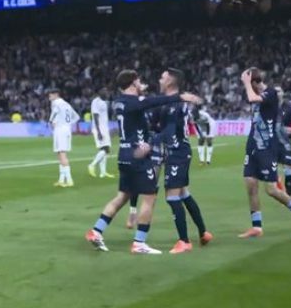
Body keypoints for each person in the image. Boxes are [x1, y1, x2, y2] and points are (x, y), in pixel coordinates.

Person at [85, 69, 202, 254]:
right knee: (150, 197)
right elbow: (153, 102)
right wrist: (181, 97)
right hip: (137, 156)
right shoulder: (134, 102)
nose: (142, 82)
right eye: (138, 80)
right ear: (133, 83)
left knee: (122, 197)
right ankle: (139, 243)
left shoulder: (119, 102)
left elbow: (144, 103)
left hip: (123, 155)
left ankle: (96, 231)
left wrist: (141, 92)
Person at [239, 68, 291, 238]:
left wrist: (246, 82)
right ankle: (257, 227)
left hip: (267, 147)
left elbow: (252, 98)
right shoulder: (257, 93)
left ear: (255, 82)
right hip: (252, 146)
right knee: (250, 185)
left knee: (271, 190)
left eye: (250, 84)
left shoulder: (270, 93)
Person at [156, 68, 213, 253]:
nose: (160, 80)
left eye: (163, 77)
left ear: (170, 82)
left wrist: (153, 143)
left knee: (171, 197)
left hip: (177, 152)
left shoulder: (174, 105)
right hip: (181, 151)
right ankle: (203, 232)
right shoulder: (177, 101)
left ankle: (184, 241)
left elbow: (169, 130)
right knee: (183, 194)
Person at [48, 89, 80, 187]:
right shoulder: (67, 104)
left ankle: (69, 180)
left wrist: (50, 121)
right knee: (60, 154)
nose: (49, 98)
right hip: (66, 130)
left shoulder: (56, 103)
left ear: (55, 95)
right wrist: (68, 124)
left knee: (62, 154)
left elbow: (54, 112)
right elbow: (77, 117)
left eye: (50, 95)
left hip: (60, 130)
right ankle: (61, 180)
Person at [88, 88, 115, 178]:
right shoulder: (96, 102)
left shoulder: (104, 102)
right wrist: (98, 131)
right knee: (106, 149)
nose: (107, 93)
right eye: (104, 91)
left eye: (107, 91)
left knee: (105, 149)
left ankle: (103, 172)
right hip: (99, 128)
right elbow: (95, 116)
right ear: (99, 92)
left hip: (104, 128)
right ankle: (92, 165)